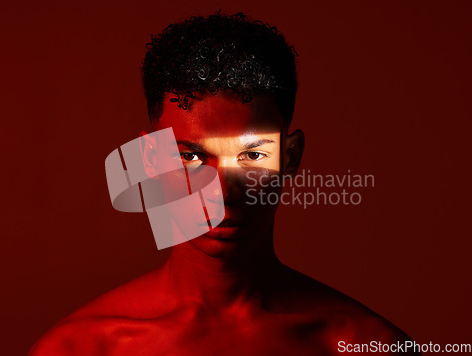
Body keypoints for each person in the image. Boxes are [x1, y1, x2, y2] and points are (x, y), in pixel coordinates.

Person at [30, 12, 418, 355]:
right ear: (151, 159)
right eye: (192, 157)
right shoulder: (79, 349)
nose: (225, 194)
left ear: (291, 157)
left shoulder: (369, 346)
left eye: (252, 156)